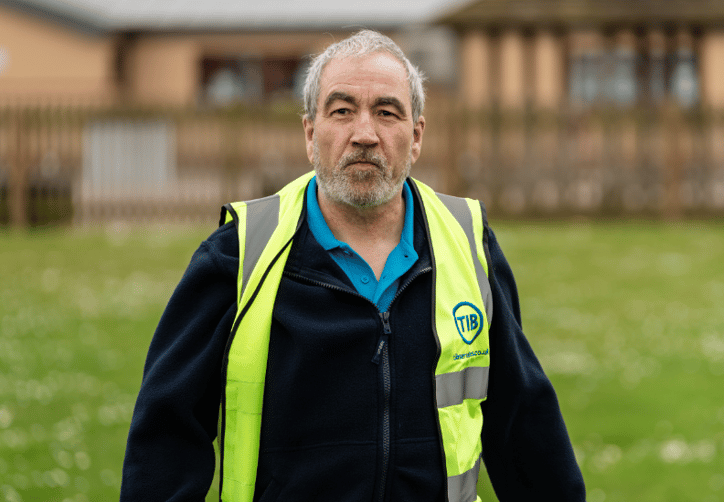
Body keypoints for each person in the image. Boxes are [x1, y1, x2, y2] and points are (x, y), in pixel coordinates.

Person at [120, 30, 586, 502]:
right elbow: (166, 434)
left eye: (386, 112)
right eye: (342, 111)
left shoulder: (468, 243)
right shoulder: (240, 255)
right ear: (310, 133)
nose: (364, 134)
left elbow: (523, 422)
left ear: (416, 135)